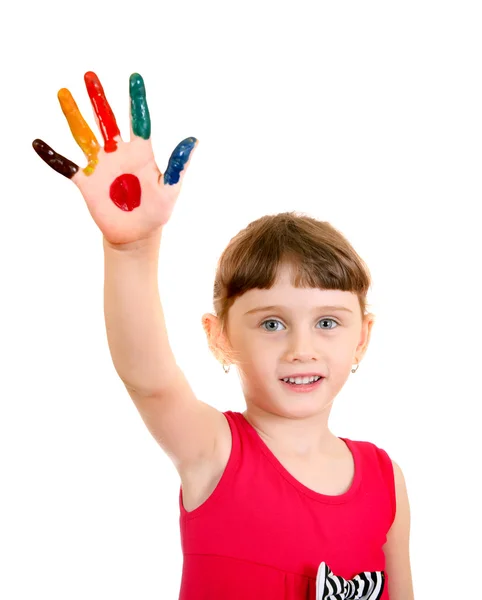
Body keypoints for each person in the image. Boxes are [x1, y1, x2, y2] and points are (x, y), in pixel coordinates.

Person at [33, 71, 414, 600]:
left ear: (362, 338)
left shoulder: (385, 481)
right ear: (220, 338)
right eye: (272, 323)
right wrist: (131, 251)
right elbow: (150, 380)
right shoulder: (214, 451)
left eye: (327, 322)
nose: (301, 347)